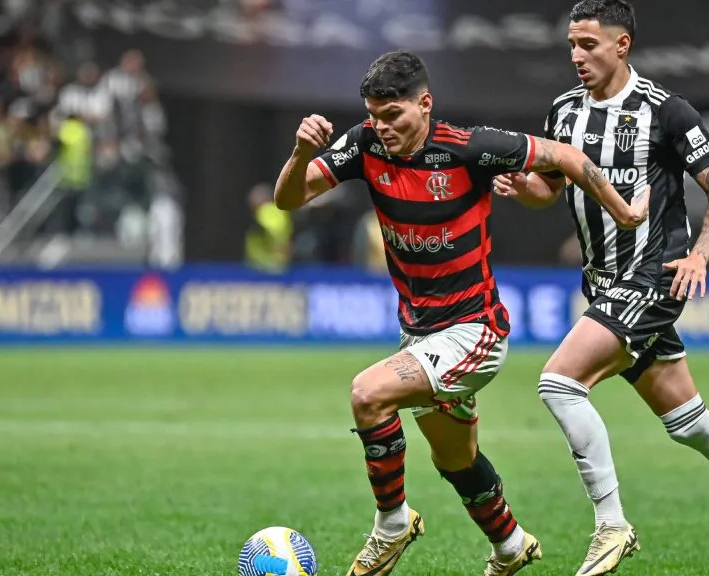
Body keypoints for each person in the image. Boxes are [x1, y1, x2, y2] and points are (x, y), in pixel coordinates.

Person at [273, 49, 648, 576]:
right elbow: (289, 199)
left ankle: (392, 525)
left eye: (393, 115)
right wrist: (300, 153)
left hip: (475, 331)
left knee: (368, 395)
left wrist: (622, 210)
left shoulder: (470, 148)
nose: (382, 127)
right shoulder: (363, 144)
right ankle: (511, 545)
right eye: (373, 115)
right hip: (419, 335)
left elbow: (563, 157)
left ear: (424, 104)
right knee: (455, 458)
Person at [493, 1, 709, 574]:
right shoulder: (564, 111)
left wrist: (699, 255)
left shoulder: (666, 111)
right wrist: (525, 190)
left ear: (621, 45)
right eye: (571, 45)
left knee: (559, 383)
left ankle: (611, 525)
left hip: (654, 276)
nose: (576, 56)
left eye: (588, 44)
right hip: (603, 283)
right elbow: (552, 189)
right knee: (687, 421)